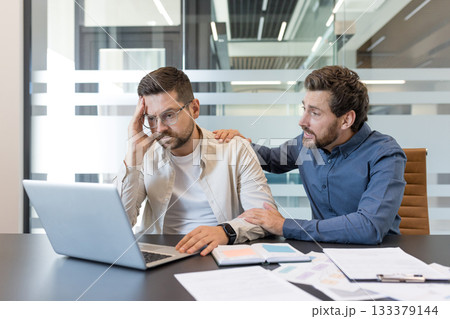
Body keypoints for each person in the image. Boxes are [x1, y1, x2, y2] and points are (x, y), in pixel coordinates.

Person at [214, 65, 406, 244]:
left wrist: (284, 226)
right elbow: (272, 159)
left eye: (315, 113)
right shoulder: (306, 144)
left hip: (376, 258)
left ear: (346, 119)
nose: (302, 121)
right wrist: (240, 144)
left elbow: (369, 226)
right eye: (304, 109)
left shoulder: (385, 154)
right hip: (321, 254)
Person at [114, 66, 275, 256]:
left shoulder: (235, 149)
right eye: (151, 118)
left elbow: (266, 217)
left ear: (194, 108)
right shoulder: (145, 155)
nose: (160, 128)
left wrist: (225, 231)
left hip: (217, 254)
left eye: (169, 115)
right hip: (159, 255)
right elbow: (119, 224)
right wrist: (132, 159)